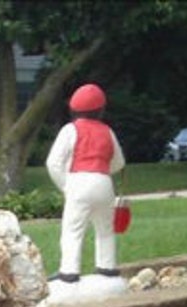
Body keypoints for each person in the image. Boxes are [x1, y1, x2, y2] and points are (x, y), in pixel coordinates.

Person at [45, 83, 126, 284]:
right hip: (104, 183)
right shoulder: (108, 131)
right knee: (105, 229)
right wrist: (104, 172)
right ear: (101, 110)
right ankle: (107, 266)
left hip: (78, 181)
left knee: (72, 229)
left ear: (73, 109)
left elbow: (53, 163)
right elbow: (119, 161)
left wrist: (66, 185)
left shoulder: (70, 130)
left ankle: (69, 271)